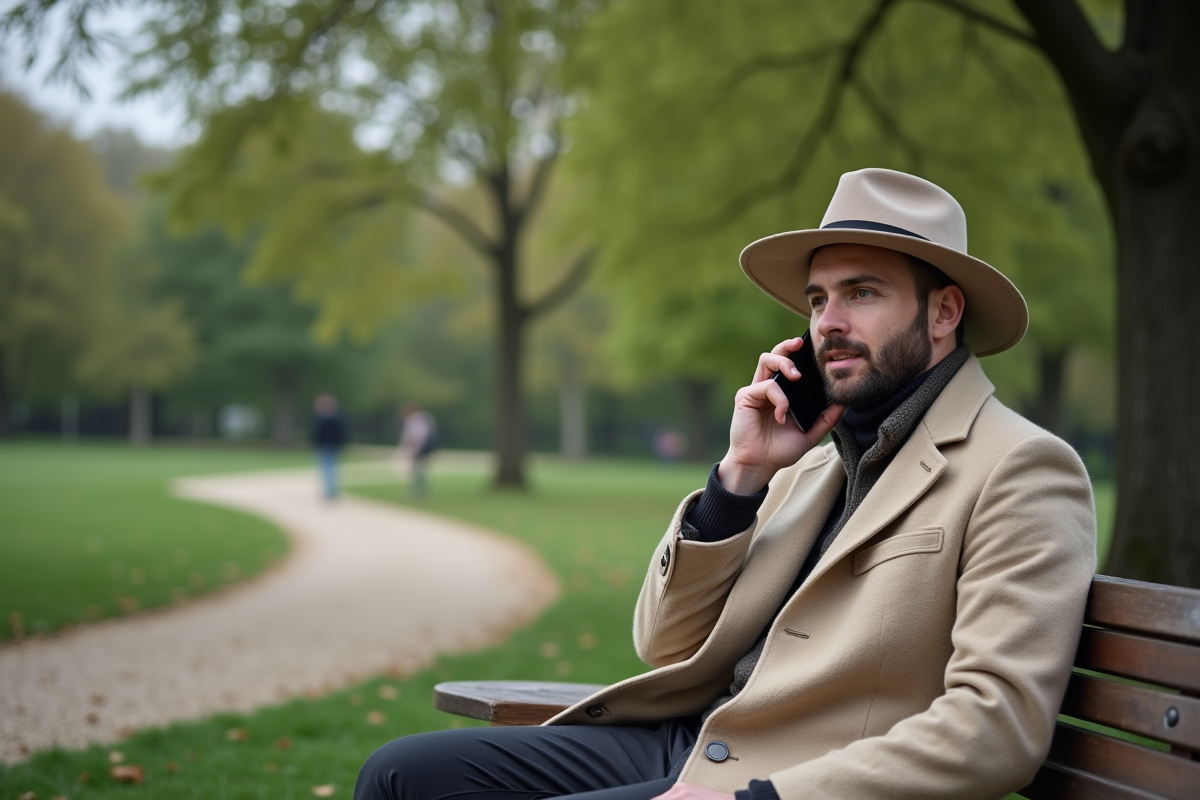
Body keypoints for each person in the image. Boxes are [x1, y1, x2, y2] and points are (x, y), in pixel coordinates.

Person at [354, 169, 1097, 800]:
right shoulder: (809, 462)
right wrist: (740, 477)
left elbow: (997, 724)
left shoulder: (1021, 467)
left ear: (943, 312)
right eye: (816, 300)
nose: (827, 324)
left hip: (795, 780)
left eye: (861, 294)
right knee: (400, 776)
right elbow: (664, 643)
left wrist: (766, 799)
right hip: (690, 736)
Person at [312, 392, 347, 500]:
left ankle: (329, 491)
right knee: (331, 469)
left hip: (326, 446)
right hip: (329, 446)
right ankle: (331, 490)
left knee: (327, 469)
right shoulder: (335, 418)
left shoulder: (323, 419)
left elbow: (317, 433)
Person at [398, 403, 438, 497]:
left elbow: (417, 436)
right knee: (419, 470)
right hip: (424, 448)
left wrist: (414, 450)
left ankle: (418, 492)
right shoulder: (424, 417)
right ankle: (419, 491)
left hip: (420, 448)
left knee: (417, 470)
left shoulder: (414, 420)